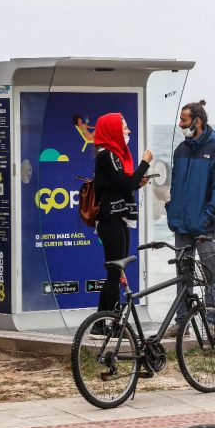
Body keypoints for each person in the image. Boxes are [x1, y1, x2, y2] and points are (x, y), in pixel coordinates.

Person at [164, 100, 215, 336]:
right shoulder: (180, 150)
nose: (180, 124)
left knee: (209, 276)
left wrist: (208, 219)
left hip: (205, 227)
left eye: (183, 120)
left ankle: (212, 323)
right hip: (181, 226)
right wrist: (172, 210)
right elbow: (175, 187)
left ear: (197, 121)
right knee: (183, 277)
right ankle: (182, 323)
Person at [91, 113, 152, 336]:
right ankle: (115, 324)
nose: (128, 131)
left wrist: (140, 181)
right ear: (112, 130)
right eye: (124, 127)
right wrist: (144, 164)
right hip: (111, 219)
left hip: (120, 217)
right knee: (115, 271)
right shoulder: (106, 155)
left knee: (116, 271)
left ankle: (99, 323)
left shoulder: (115, 155)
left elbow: (127, 185)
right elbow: (126, 182)